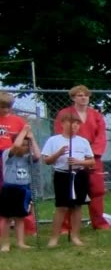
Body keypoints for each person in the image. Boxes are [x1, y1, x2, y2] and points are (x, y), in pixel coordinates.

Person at [54, 86, 110, 231]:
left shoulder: (96, 115)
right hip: (72, 157)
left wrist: (93, 153)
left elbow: (101, 136)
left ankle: (99, 223)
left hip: (92, 157)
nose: (83, 98)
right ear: (73, 98)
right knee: (69, 191)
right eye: (79, 95)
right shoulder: (64, 114)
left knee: (96, 191)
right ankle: (66, 226)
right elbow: (60, 135)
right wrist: (71, 153)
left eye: (86, 95)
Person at [42, 114, 94, 248]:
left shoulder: (83, 141)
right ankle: (54, 238)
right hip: (62, 175)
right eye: (72, 123)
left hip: (79, 175)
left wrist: (79, 161)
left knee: (77, 206)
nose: (75, 126)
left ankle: (75, 236)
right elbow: (47, 161)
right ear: (63, 124)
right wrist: (58, 153)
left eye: (77, 123)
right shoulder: (53, 140)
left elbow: (91, 161)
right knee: (62, 207)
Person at [0, 92, 38, 238]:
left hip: (16, 156)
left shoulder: (18, 121)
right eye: (2, 107)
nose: (5, 110)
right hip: (4, 156)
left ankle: (28, 227)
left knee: (22, 191)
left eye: (8, 107)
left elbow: (27, 138)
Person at [0, 125, 39, 251]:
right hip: (9, 189)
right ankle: (5, 244)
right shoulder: (8, 154)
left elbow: (38, 156)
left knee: (20, 217)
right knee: (6, 218)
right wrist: (23, 131)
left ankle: (21, 242)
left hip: (23, 190)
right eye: (24, 144)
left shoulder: (27, 158)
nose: (25, 147)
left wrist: (32, 139)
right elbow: (16, 146)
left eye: (27, 145)